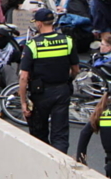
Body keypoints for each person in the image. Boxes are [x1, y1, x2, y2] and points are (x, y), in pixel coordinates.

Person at [18, 8, 79, 153]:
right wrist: (68, 80)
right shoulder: (67, 41)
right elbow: (76, 69)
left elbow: (23, 77)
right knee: (60, 134)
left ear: (39, 23)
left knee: (39, 134)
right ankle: (60, 161)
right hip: (62, 90)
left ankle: (44, 162)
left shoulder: (33, 45)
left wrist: (23, 102)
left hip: (40, 93)